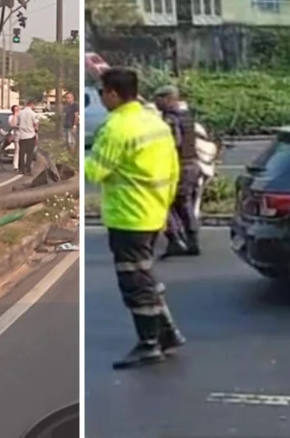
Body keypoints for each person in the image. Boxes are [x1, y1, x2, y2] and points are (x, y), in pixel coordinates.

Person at [85, 67, 185, 369]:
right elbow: (173, 170)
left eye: (102, 92)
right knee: (145, 276)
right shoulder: (154, 122)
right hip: (153, 212)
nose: (101, 98)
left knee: (135, 283)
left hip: (128, 216)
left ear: (113, 93)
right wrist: (163, 207)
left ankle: (149, 344)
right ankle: (167, 333)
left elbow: (94, 171)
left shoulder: (116, 128)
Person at [153, 85, 201, 258]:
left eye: (158, 99)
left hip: (177, 166)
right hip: (192, 165)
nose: (156, 103)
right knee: (184, 203)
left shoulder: (170, 119)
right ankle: (192, 239)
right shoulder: (187, 116)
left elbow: (174, 143)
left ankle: (174, 240)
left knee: (163, 203)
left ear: (168, 99)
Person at [16, 100, 39, 176]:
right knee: (29, 154)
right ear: (31, 105)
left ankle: (21, 169)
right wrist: (36, 131)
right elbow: (35, 124)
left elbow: (18, 123)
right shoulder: (33, 114)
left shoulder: (20, 113)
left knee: (21, 153)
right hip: (30, 135)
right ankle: (28, 169)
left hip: (22, 135)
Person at [9, 105, 21, 172]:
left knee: (24, 151)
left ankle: (23, 165)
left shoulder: (22, 116)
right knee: (17, 150)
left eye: (18, 109)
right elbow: (12, 125)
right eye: (16, 110)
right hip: (17, 135)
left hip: (24, 135)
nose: (17, 111)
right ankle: (16, 166)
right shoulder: (11, 117)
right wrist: (15, 116)